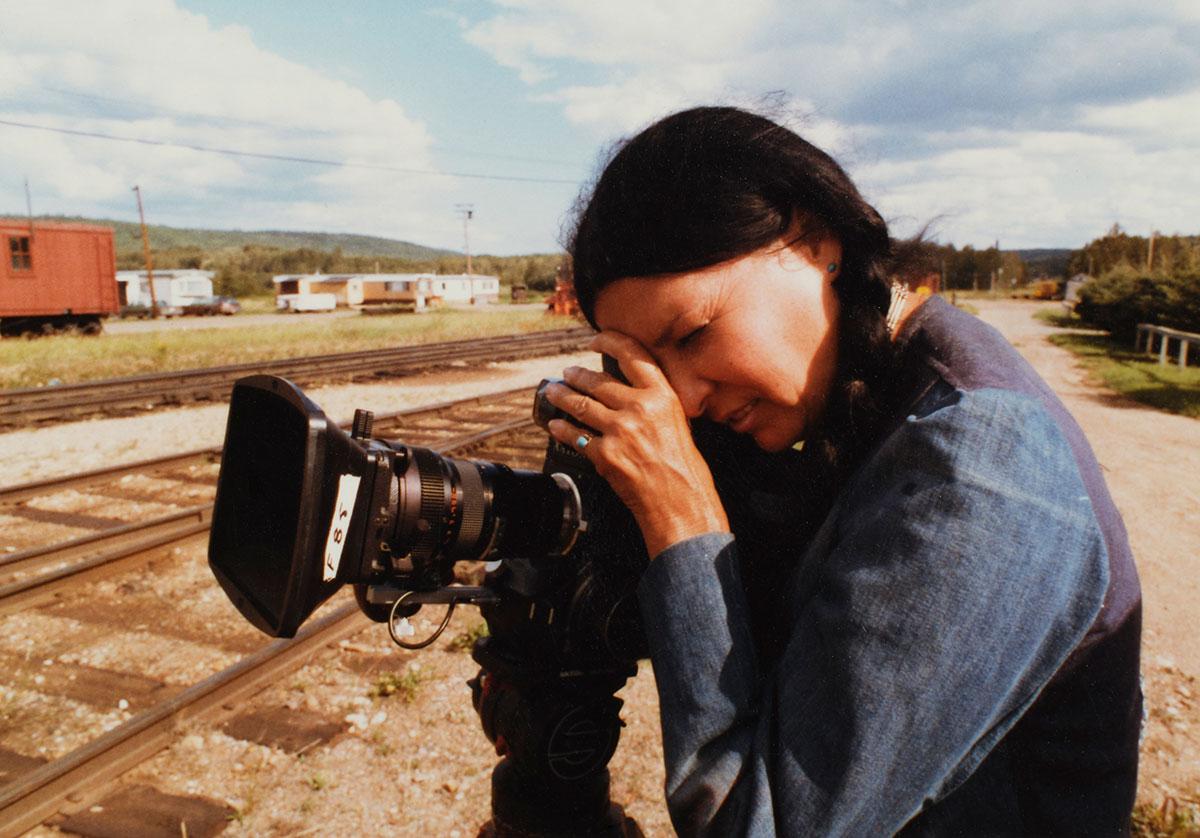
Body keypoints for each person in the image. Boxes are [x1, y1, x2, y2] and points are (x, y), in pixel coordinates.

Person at [541, 106, 1142, 836]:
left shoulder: (977, 462)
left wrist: (682, 517)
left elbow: (754, 823)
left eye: (694, 334)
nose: (688, 399)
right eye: (656, 371)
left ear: (813, 240)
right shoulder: (891, 393)